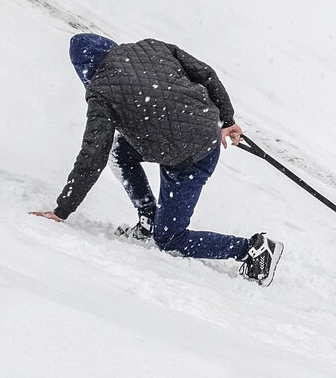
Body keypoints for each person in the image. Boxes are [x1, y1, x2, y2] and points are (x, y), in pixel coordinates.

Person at [30, 34, 283, 286]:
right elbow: (205, 74)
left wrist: (62, 210)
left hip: (190, 159)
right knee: (120, 151)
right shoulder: (151, 47)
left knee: (170, 239)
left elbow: (92, 155)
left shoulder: (100, 92)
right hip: (202, 134)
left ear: (84, 69)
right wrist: (226, 119)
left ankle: (252, 249)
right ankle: (148, 217)